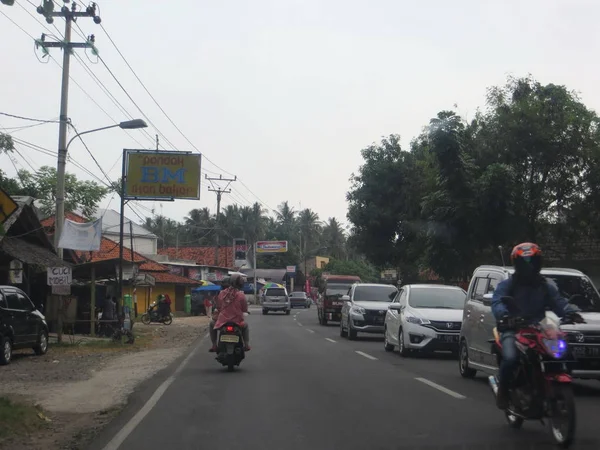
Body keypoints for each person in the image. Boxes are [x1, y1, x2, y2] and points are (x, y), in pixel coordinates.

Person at [492, 242, 582, 410]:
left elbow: (559, 302)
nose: (529, 267)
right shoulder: (508, 285)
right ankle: (503, 390)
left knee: (564, 352)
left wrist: (570, 313)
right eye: (525, 263)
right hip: (514, 328)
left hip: (539, 328)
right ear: (517, 264)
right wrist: (505, 316)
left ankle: (547, 383)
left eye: (533, 262)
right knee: (511, 358)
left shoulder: (545, 286)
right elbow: (497, 301)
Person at [209, 274, 250, 352]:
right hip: (237, 322)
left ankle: (214, 345)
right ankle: (247, 345)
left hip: (223, 322)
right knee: (245, 326)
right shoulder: (241, 295)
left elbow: (218, 306)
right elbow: (244, 309)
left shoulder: (222, 293)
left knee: (211, 323)